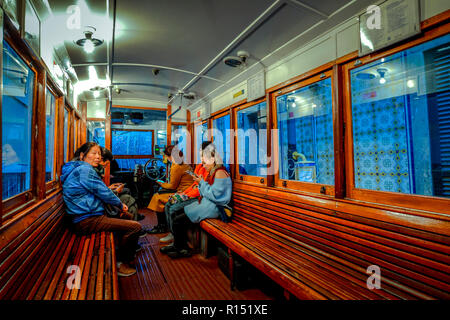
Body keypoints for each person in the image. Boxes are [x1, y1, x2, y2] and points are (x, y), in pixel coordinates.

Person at [61, 142, 143, 277]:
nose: (98, 157)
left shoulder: (78, 168)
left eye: (99, 153)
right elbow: (103, 193)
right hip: (86, 220)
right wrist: (120, 204)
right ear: (82, 155)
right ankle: (121, 263)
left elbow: (100, 190)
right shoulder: (85, 170)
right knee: (135, 227)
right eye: (93, 153)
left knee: (127, 216)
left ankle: (123, 249)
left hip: (86, 216)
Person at [161, 142, 232, 259]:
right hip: (210, 204)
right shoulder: (214, 171)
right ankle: (177, 245)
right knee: (177, 214)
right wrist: (200, 184)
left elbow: (215, 196)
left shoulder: (220, 173)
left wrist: (201, 183)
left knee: (178, 218)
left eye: (204, 162)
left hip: (218, 208)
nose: (203, 165)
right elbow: (207, 192)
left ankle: (182, 249)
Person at [146, 145, 193, 234]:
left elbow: (172, 186)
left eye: (166, 156)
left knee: (157, 197)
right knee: (158, 195)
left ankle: (162, 227)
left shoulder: (176, 166)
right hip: (187, 190)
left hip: (184, 193)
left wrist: (161, 183)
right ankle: (163, 225)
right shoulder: (183, 163)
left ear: (169, 156)